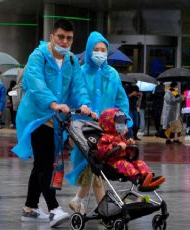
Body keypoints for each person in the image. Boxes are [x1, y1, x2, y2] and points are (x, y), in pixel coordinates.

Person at [12, 19, 92, 227]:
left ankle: (29, 208)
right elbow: (36, 84)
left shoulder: (73, 61)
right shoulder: (38, 56)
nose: (65, 42)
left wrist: (84, 104)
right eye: (61, 37)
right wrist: (53, 103)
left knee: (42, 163)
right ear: (52, 37)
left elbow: (78, 87)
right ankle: (54, 208)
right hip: (36, 117)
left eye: (69, 39)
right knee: (45, 163)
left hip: (57, 120)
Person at [66, 31, 130, 214]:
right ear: (88, 50)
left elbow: (121, 101)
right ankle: (104, 211)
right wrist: (69, 130)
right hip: (84, 129)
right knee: (94, 166)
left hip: (107, 130)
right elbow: (75, 97)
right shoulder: (80, 73)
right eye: (96, 49)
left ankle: (81, 201)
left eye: (103, 49)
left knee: (95, 166)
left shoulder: (112, 74)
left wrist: (123, 123)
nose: (100, 53)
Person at [97, 108, 165, 188]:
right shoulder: (105, 138)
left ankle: (147, 177)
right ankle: (138, 180)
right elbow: (102, 152)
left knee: (140, 163)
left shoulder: (121, 137)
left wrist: (129, 146)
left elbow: (128, 154)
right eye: (119, 122)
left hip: (124, 160)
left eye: (123, 122)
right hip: (112, 164)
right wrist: (116, 146)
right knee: (126, 165)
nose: (122, 125)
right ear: (110, 123)